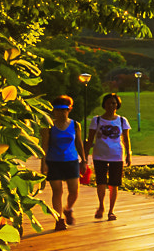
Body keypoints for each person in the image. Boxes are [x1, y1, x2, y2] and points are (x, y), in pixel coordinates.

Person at [86, 92, 133, 220]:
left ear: (117, 105)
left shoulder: (122, 120)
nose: (111, 105)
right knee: (101, 182)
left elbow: (126, 139)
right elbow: (89, 139)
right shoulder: (97, 120)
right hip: (99, 155)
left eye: (114, 103)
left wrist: (129, 154)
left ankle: (111, 211)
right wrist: (85, 155)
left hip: (116, 155)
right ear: (104, 104)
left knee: (114, 184)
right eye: (108, 103)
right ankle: (101, 205)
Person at [39, 95, 83, 231]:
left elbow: (79, 143)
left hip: (71, 160)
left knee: (74, 191)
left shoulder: (75, 125)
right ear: (54, 111)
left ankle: (68, 208)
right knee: (57, 191)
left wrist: (84, 159)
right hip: (54, 161)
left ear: (69, 109)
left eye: (64, 109)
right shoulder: (49, 125)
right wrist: (43, 162)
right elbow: (44, 145)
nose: (61, 113)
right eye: (57, 110)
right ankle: (59, 220)